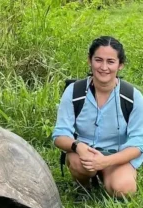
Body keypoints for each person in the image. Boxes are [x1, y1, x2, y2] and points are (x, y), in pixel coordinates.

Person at [52, 36, 143, 198]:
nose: (103, 67)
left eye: (111, 61)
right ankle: (84, 187)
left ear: (120, 65)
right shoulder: (74, 92)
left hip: (117, 155)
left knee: (124, 189)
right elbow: (59, 135)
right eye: (98, 60)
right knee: (80, 164)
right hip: (84, 153)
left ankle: (109, 175)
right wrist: (78, 146)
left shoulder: (132, 97)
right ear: (89, 60)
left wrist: (106, 161)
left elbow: (138, 144)